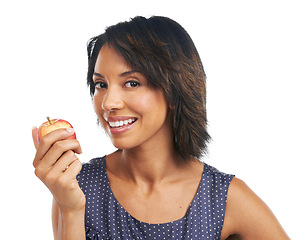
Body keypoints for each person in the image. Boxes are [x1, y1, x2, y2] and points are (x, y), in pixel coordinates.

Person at [32, 16, 290, 240]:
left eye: (132, 83)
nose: (108, 102)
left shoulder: (225, 198)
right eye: (101, 84)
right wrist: (71, 208)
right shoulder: (77, 188)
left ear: (174, 88)